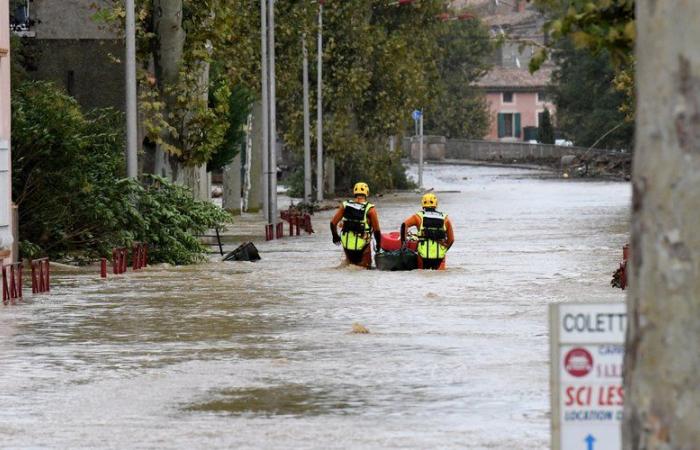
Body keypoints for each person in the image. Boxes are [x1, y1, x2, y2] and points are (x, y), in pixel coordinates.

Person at [330, 182, 382, 269]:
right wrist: (378, 246)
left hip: (347, 244)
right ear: (367, 193)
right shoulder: (371, 210)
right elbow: (377, 230)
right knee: (366, 268)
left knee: (349, 266)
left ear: (354, 193)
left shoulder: (345, 205)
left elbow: (333, 223)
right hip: (363, 245)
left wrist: (335, 236)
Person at [400, 193, 454, 270]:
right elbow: (451, 239)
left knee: (422, 277)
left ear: (423, 203)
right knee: (440, 278)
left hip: (423, 254)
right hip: (440, 255)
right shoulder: (445, 218)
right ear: (436, 203)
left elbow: (404, 225)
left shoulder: (418, 217)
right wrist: (445, 249)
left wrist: (403, 244)